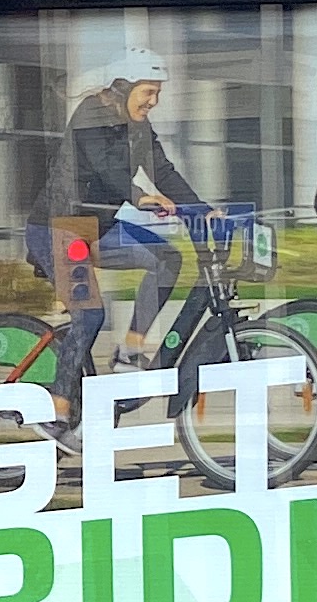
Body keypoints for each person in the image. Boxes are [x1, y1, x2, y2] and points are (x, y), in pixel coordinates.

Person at [32, 65, 201, 399]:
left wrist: (201, 209)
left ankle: (129, 352)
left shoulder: (138, 126)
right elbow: (105, 168)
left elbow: (162, 170)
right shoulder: (92, 113)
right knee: (90, 316)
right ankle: (58, 404)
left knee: (167, 259)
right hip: (61, 227)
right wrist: (141, 196)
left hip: (99, 228)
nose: (154, 101)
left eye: (158, 93)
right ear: (124, 88)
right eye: (148, 92)